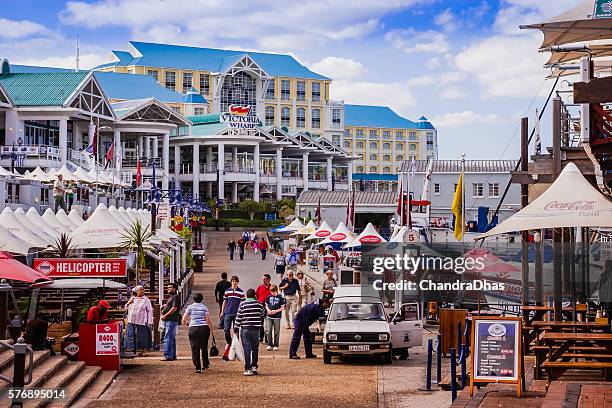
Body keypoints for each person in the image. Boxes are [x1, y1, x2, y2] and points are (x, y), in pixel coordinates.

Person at [234, 288, 265, 376]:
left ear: (247, 296)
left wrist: (236, 328)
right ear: (254, 295)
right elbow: (262, 313)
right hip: (256, 329)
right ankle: (254, 366)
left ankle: (248, 368)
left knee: (247, 349)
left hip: (245, 329)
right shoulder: (259, 304)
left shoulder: (242, 304)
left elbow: (239, 317)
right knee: (255, 348)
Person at [182, 292, 213, 373]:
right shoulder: (204, 308)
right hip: (203, 328)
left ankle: (197, 367)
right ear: (201, 299)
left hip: (193, 329)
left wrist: (188, 324)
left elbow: (184, 319)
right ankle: (205, 364)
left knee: (194, 348)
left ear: (194, 299)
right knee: (204, 347)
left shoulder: (190, 307)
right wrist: (211, 330)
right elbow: (208, 320)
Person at [219, 276, 245, 352]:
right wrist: (222, 312)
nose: (234, 283)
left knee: (236, 330)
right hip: (228, 313)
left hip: (237, 314)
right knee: (226, 329)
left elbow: (243, 303)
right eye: (233, 281)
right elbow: (224, 302)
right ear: (231, 282)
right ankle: (228, 343)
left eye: (236, 281)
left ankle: (236, 345)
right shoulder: (227, 291)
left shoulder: (241, 292)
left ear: (238, 282)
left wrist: (242, 313)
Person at [125, 285, 153, 356]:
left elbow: (150, 311)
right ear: (136, 291)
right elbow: (126, 307)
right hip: (131, 320)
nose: (142, 290)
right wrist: (128, 303)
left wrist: (150, 322)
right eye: (141, 289)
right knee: (130, 334)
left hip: (141, 321)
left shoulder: (146, 300)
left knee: (143, 335)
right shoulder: (132, 298)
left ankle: (144, 351)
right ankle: (130, 349)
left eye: (143, 289)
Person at [160, 283, 181, 361]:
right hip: (170, 320)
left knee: (168, 337)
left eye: (170, 287)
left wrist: (166, 315)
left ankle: (168, 355)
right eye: (167, 287)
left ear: (175, 288)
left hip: (171, 319)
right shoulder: (172, 297)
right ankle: (172, 355)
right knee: (171, 338)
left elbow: (174, 308)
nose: (168, 289)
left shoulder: (175, 297)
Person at [264, 285, 285, 351]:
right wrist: (268, 310)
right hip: (269, 316)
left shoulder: (280, 297)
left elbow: (282, 307)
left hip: (277, 317)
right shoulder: (269, 297)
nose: (272, 293)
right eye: (271, 292)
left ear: (276, 291)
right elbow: (266, 305)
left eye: (274, 292)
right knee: (268, 330)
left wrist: (275, 311)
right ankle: (270, 344)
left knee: (276, 331)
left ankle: (276, 345)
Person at [255, 274, 272, 342]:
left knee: (268, 324)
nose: (263, 280)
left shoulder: (272, 287)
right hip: (260, 307)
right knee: (260, 323)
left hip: (268, 308)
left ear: (269, 280)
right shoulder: (260, 287)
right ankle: (261, 337)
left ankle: (267, 338)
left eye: (265, 279)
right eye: (263, 279)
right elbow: (256, 297)